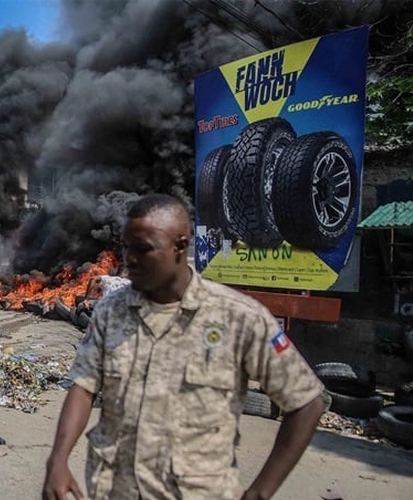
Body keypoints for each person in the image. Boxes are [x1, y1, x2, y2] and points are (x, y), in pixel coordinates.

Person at [42, 194, 325, 500]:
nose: (130, 260)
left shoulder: (238, 317)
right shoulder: (111, 312)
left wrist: (260, 492)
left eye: (143, 249)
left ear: (180, 246)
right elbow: (84, 387)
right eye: (126, 247)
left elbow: (307, 402)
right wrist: (57, 459)